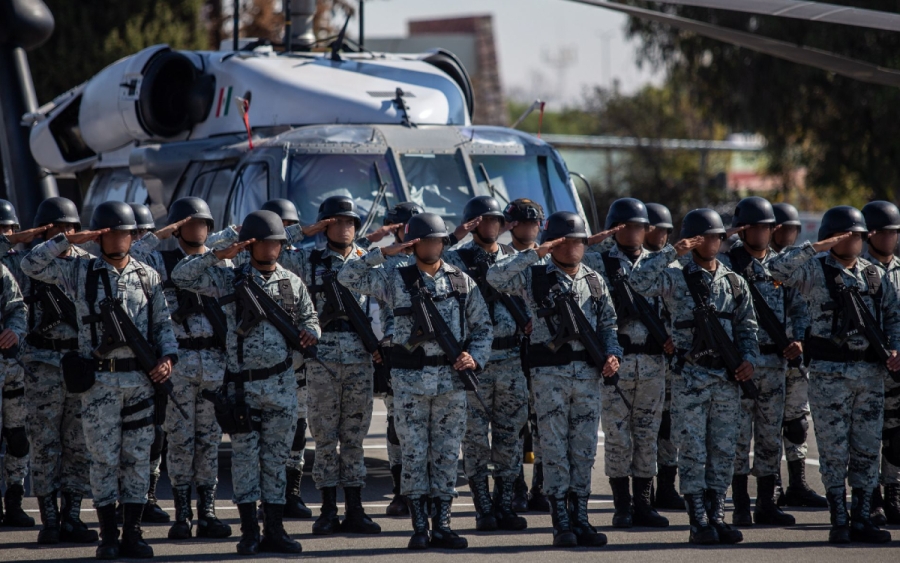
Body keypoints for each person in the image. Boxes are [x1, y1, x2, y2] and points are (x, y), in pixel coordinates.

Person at [22, 201, 179, 559]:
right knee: (103, 459)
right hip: (99, 384)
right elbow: (31, 264)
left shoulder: (147, 276)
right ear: (99, 237)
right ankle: (108, 536)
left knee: (137, 458)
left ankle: (133, 534)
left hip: (139, 383)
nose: (119, 239)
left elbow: (162, 325)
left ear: (132, 236)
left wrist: (168, 358)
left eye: (124, 233)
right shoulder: (81, 272)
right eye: (111, 233)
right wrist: (67, 240)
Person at [339, 212, 492, 550]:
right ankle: (420, 527)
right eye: (426, 241)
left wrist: (475, 356)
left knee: (447, 455)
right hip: (410, 384)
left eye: (437, 240)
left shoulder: (461, 282)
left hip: (451, 383)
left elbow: (483, 327)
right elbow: (347, 275)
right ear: (415, 244)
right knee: (414, 455)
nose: (433, 246)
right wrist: (385, 252)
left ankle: (444, 526)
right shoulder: (395, 279)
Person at [171, 210, 319, 555]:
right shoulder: (229, 279)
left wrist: (312, 331)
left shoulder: (292, 282)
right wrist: (217, 253)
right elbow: (181, 277)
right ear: (250, 245)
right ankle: (249, 531)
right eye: (264, 243)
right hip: (243, 387)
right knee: (245, 460)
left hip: (281, 385)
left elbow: (310, 316)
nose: (271, 249)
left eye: (276, 243)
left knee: (276, 460)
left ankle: (275, 530)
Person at [487, 211, 621, 548]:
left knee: (584, 450)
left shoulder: (594, 280)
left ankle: (581, 518)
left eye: (579, 241)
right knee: (555, 451)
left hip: (587, 377)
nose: (574, 247)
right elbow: (495, 277)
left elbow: (608, 324)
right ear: (555, 243)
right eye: (567, 241)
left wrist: (613, 354)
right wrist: (535, 253)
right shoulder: (534, 276)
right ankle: (561, 521)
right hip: (549, 378)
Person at [768, 205, 900, 544]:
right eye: (847, 236)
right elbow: (773, 270)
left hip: (869, 374)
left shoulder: (874, 274)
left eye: (858, 236)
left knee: (867, 449)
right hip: (830, 376)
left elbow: (892, 316)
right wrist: (817, 246)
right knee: (833, 451)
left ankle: (862, 517)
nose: (854, 241)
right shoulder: (814, 271)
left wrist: (895, 348)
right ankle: (839, 519)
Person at [630, 208, 759, 546]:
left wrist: (749, 360)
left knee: (723, 451)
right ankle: (698, 520)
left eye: (717, 237)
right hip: (690, 379)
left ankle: (717, 517)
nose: (714, 243)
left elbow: (747, 327)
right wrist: (672, 252)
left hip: (726, 380)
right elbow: (638, 282)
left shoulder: (733, 281)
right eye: (707, 237)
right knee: (692, 452)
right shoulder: (675, 276)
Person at [269, 196, 382, 536]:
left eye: (350, 222)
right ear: (325, 225)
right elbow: (271, 251)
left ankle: (355, 509)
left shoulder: (368, 261)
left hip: (360, 357)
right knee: (324, 437)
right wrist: (307, 230)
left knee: (354, 437)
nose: (344, 227)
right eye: (336, 221)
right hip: (322, 358)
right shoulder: (308, 260)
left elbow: (388, 302)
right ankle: (328, 509)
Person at [129, 197, 233, 541]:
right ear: (177, 228)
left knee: (209, 442)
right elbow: (133, 253)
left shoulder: (220, 263)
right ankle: (182, 515)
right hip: (179, 364)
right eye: (189, 223)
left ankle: (208, 513)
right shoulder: (160, 261)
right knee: (180, 442)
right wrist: (163, 233)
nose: (197, 228)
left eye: (202, 223)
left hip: (214, 364)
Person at [0, 198, 96, 543]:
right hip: (41, 364)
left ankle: (73, 516)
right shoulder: (23, 262)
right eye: (56, 228)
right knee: (44, 444)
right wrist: (15, 239)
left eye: (69, 228)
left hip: (78, 364)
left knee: (78, 444)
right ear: (43, 230)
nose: (64, 233)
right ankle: (50, 520)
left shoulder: (89, 264)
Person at [582, 198, 672, 529]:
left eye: (640, 227)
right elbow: (559, 258)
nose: (635, 232)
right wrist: (592, 241)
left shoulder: (660, 262)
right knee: (618, 437)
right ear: (615, 229)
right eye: (628, 226)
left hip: (652, 361)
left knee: (647, 435)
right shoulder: (598, 261)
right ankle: (622, 506)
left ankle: (644, 505)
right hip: (614, 364)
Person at [720, 197, 806, 528]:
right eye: (753, 228)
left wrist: (798, 338)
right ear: (742, 230)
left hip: (775, 362)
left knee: (770, 437)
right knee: (739, 438)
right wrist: (726, 236)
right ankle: (741, 505)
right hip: (741, 366)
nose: (760, 233)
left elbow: (798, 307)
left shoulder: (782, 266)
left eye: (766, 228)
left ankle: (767, 504)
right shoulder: (728, 263)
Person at [445, 196, 529, 532]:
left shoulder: (515, 258)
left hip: (511, 361)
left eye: (495, 220)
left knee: (510, 437)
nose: (491, 225)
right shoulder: (455, 259)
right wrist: (454, 236)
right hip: (474, 364)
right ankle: (483, 508)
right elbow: (418, 261)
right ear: (472, 224)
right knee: (476, 440)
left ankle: (504, 505)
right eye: (483, 220)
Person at [767, 202, 827, 509]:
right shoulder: (757, 262)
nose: (791, 234)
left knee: (797, 423)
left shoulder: (801, 265)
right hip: (765, 356)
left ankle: (798, 484)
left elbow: (803, 306)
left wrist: (800, 340)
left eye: (794, 229)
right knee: (767, 424)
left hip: (795, 356)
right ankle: (772, 485)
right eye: (786, 228)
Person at [859, 201, 900, 526]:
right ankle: (870, 497)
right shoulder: (857, 271)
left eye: (894, 232)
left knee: (896, 436)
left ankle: (893, 495)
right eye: (885, 232)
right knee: (868, 435)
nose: (891, 238)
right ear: (870, 234)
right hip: (868, 367)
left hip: (897, 368)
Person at [641, 202, 682, 510]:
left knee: (669, 423)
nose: (662, 235)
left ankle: (667, 487)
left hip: (671, 359)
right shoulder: (636, 265)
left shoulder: (675, 266)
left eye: (666, 230)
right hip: (642, 357)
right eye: (657, 229)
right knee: (643, 427)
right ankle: (642, 491)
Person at [0, 199, 34, 530]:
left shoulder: (12, 267)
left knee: (18, 437)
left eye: (10, 229)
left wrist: (14, 330)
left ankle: (14, 499)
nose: (7, 235)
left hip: (12, 366)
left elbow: (17, 307)